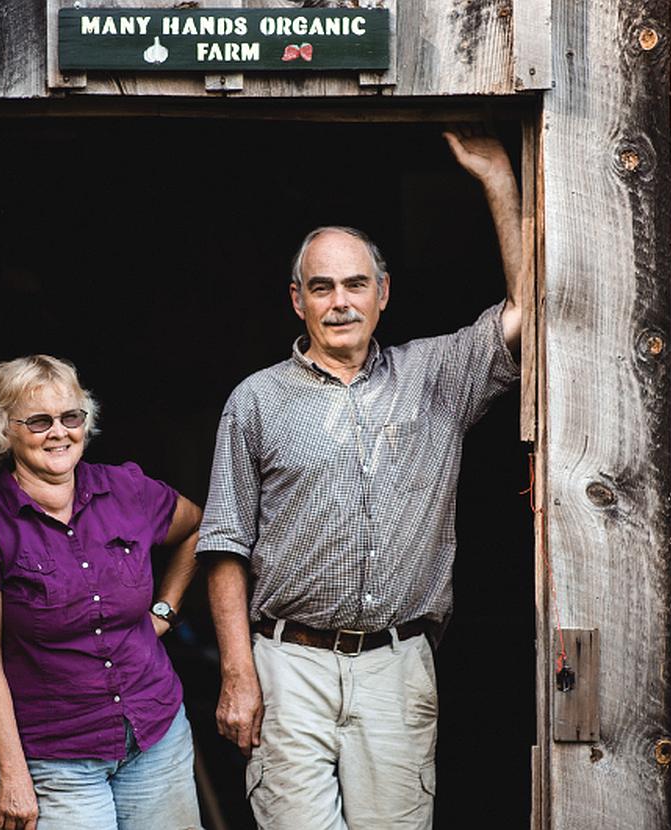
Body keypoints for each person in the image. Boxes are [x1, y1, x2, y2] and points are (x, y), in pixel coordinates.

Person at [196, 130, 523, 829]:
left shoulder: (435, 378)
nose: (339, 301)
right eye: (322, 287)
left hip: (396, 665)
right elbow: (224, 544)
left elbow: (527, 318)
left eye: (354, 284)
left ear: (382, 294)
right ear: (297, 301)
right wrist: (237, 672)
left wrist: (498, 180)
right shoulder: (256, 400)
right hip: (289, 663)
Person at [0, 355, 203, 830]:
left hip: (157, 733)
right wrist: (12, 774)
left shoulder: (127, 489)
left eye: (70, 417)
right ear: (2, 430)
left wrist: (165, 610)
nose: (59, 432)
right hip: (60, 757)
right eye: (38, 420)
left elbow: (199, 530)